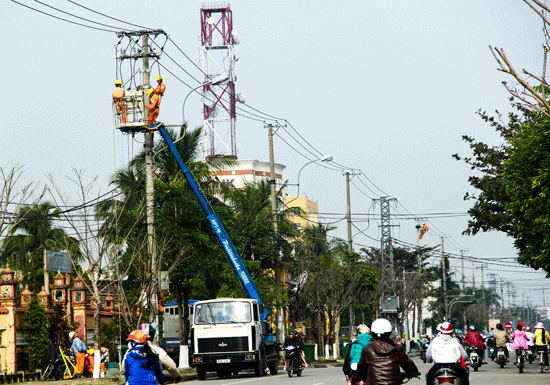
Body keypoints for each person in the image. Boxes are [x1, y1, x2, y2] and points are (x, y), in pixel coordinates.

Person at [353, 318, 419, 385]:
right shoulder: (397, 348)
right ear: (390, 334)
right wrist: (414, 373)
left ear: (372, 334)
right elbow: (408, 365)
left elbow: (361, 371)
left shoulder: (367, 349)